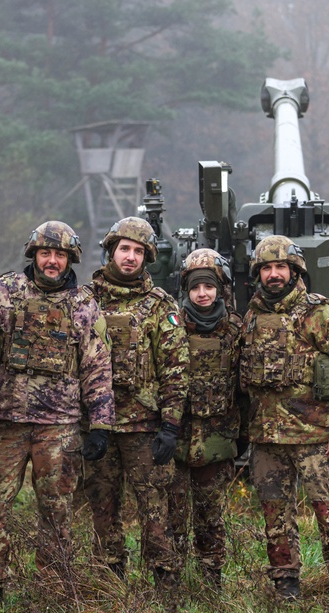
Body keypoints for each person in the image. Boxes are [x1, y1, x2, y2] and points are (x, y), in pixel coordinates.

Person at [0, 220, 114, 611]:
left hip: (59, 426)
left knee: (56, 510)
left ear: (70, 259)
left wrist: (100, 423)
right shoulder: (3, 292)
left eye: (60, 255)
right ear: (33, 254)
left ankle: (52, 590)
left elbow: (98, 367)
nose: (52, 261)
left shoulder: (83, 305)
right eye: (45, 253)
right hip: (6, 422)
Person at [240, 234, 329, 602]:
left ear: (295, 271)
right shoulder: (252, 316)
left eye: (281, 267)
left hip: (315, 437)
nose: (274, 274)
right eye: (267, 268)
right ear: (258, 273)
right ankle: (285, 580)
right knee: (274, 516)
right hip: (268, 440)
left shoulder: (320, 314)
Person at [83, 217, 188, 589]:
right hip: (98, 428)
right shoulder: (84, 301)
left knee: (155, 508)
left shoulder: (160, 305)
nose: (130, 257)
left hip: (145, 428)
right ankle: (109, 580)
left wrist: (171, 426)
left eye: (138, 251)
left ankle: (166, 580)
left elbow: (176, 368)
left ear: (148, 257)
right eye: (124, 249)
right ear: (111, 250)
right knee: (102, 506)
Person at [171, 247, 243, 590]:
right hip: (174, 435)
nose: (202, 294)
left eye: (209, 287)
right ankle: (168, 579)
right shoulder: (170, 324)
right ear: (186, 289)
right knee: (172, 514)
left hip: (217, 438)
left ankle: (211, 579)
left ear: (220, 289)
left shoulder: (236, 330)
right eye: (196, 287)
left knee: (210, 515)